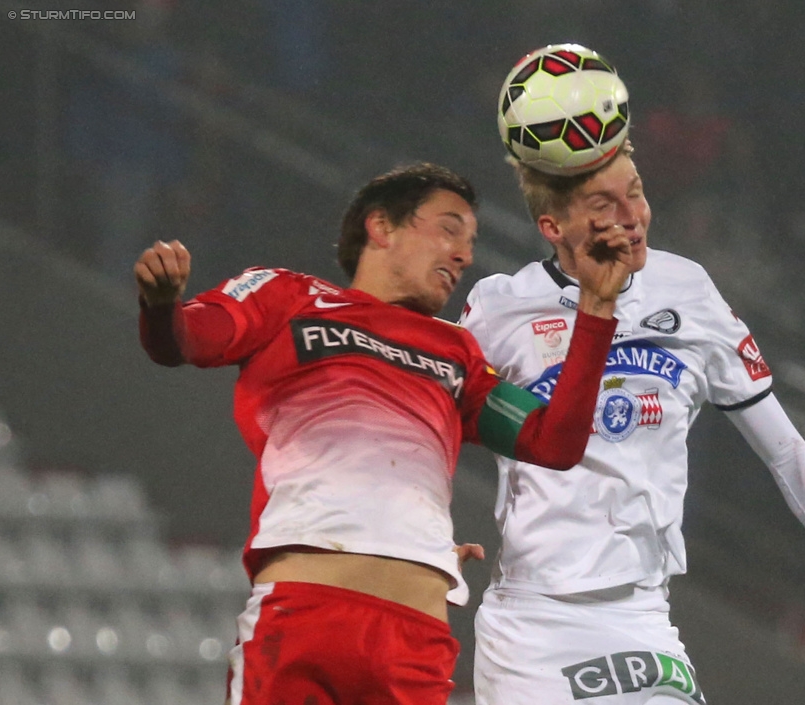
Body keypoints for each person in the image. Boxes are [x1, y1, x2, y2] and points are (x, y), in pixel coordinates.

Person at [134, 162, 633, 705]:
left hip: (415, 643)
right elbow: (185, 341)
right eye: (448, 228)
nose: (464, 255)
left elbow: (554, 442)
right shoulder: (287, 297)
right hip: (304, 617)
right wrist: (161, 305)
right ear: (381, 227)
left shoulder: (457, 351)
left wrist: (597, 307)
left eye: (469, 243)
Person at [460, 143, 805, 705]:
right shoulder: (500, 306)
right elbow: (428, 419)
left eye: (636, 192)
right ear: (554, 225)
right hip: (530, 624)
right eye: (606, 203)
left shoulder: (689, 291)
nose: (632, 215)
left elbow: (784, 449)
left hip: (644, 615)